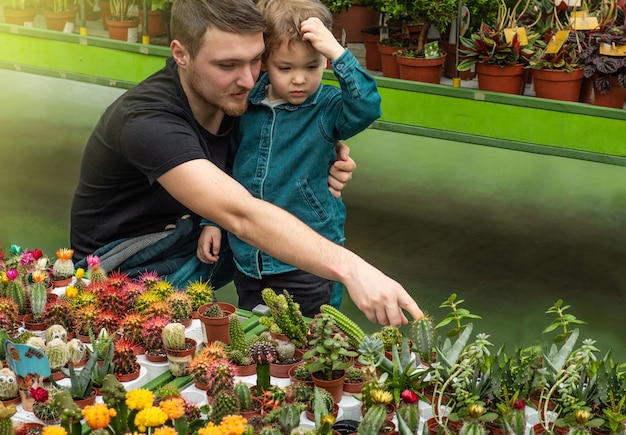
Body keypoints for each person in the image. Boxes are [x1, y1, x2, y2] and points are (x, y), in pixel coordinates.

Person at [70, 0, 423, 326]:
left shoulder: (240, 99)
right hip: (127, 265)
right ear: (181, 54)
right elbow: (240, 215)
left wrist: (317, 154)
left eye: (256, 60)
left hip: (194, 240)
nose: (250, 79)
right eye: (227, 65)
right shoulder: (147, 121)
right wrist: (352, 268)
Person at [198, 0, 381, 317]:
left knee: (311, 345)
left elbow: (367, 107)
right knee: (260, 341)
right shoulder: (247, 102)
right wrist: (212, 220)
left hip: (308, 261)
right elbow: (225, 166)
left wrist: (339, 53)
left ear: (324, 60)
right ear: (265, 60)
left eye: (311, 67)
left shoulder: (327, 106)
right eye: (286, 68)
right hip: (250, 258)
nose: (299, 80)